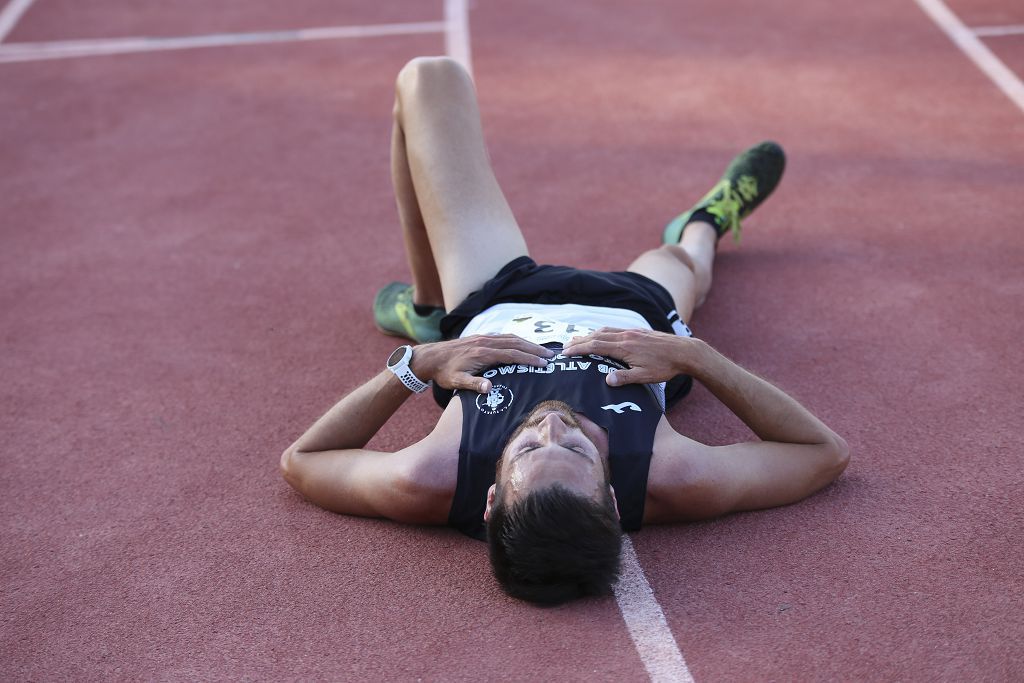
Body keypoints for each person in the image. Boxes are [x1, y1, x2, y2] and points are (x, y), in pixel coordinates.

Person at [280, 56, 849, 605]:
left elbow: (303, 461)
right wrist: (695, 357)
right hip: (634, 312)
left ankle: (428, 306)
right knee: (682, 260)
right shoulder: (675, 476)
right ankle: (708, 220)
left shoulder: (429, 476)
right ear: (613, 500)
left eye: (526, 446)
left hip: (497, 295)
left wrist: (415, 366)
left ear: (491, 496)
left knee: (429, 78)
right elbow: (822, 453)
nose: (552, 424)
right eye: (579, 447)